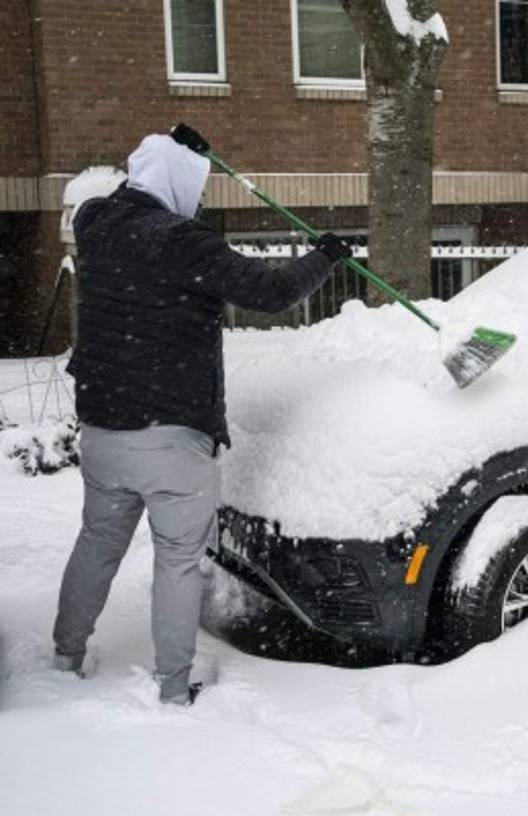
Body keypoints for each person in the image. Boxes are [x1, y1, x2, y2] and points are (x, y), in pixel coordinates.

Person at [52, 133, 352, 705]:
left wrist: (171, 143)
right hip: (171, 434)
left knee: (96, 542)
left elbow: (123, 196)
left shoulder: (96, 225)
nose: (198, 199)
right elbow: (272, 291)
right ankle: (172, 686)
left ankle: (66, 654)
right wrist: (327, 255)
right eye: (194, 186)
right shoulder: (185, 242)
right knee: (178, 561)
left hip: (102, 429)